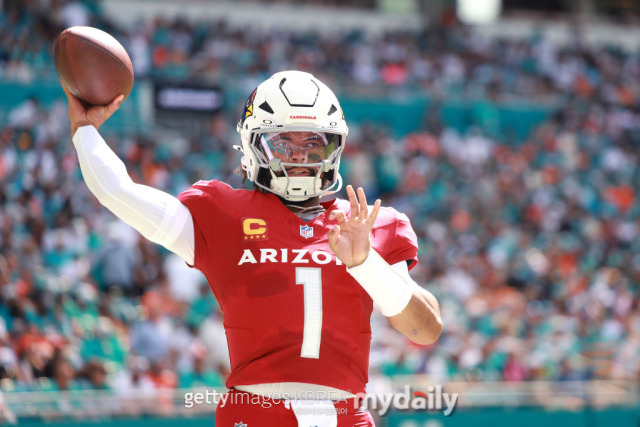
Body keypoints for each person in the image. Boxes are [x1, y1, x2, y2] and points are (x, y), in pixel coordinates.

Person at [62, 70, 442, 426]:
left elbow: (425, 330)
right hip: (254, 411)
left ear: (334, 147)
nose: (299, 158)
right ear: (253, 144)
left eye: (313, 144)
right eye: (283, 142)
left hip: (346, 413)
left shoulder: (368, 222)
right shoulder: (223, 213)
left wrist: (365, 263)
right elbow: (120, 193)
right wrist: (85, 132)